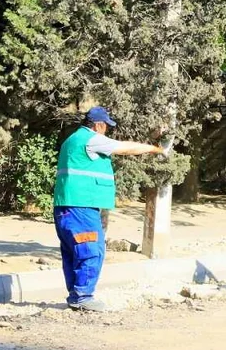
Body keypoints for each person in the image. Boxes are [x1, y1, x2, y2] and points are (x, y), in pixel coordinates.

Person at [53, 106, 167, 311]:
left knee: (73, 252)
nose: (106, 130)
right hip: (82, 206)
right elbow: (125, 148)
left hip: (65, 206)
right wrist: (154, 149)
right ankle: (83, 297)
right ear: (98, 125)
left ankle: (76, 295)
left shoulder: (71, 140)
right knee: (91, 250)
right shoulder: (91, 139)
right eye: (106, 126)